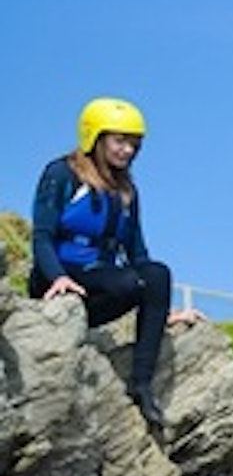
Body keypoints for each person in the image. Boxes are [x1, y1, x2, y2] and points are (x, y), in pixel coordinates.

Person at [30, 97, 202, 428]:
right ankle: (65, 288)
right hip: (57, 281)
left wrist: (162, 310)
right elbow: (41, 236)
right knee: (127, 283)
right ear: (95, 137)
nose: (127, 151)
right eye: (119, 142)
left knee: (156, 274)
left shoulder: (126, 191)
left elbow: (137, 254)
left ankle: (141, 386)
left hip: (102, 280)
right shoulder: (62, 174)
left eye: (134, 145)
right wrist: (56, 278)